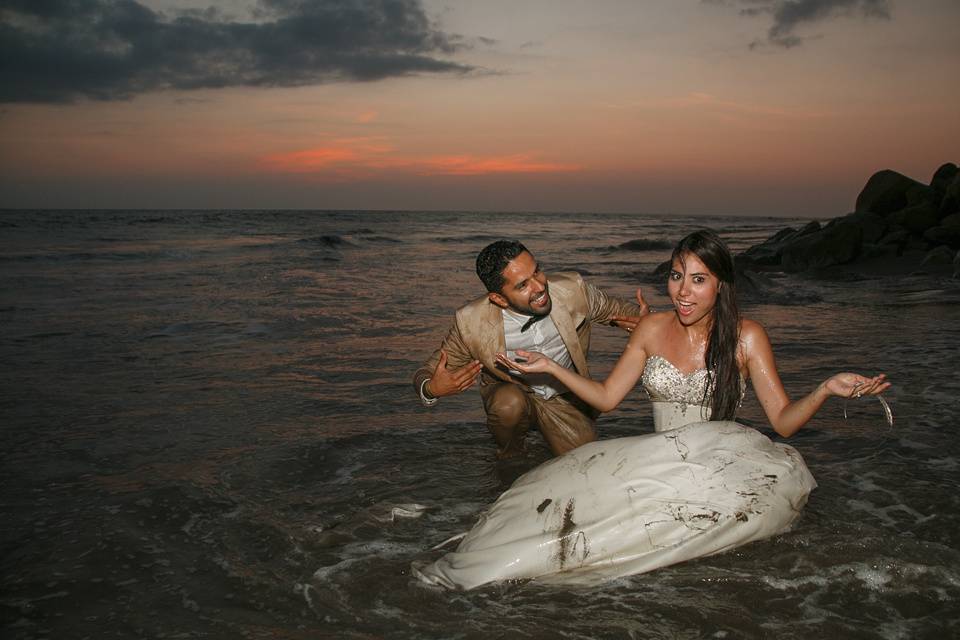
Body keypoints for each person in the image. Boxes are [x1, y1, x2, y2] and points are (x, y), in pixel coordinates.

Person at [413, 230, 890, 590]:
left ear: (721, 285)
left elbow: (783, 422)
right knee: (558, 521)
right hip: (655, 452)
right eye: (676, 276)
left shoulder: (748, 336)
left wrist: (826, 388)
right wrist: (547, 369)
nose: (682, 291)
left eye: (699, 280)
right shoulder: (651, 329)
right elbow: (605, 398)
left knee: (631, 544)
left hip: (720, 460)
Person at [413, 240, 647, 458]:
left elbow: (624, 313)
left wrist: (644, 322)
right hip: (512, 391)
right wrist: (432, 389)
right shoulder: (472, 322)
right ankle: (510, 455)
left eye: (536, 271)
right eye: (523, 285)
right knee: (508, 406)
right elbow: (428, 372)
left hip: (562, 395)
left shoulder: (573, 291)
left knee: (587, 462)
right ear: (499, 298)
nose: (539, 286)